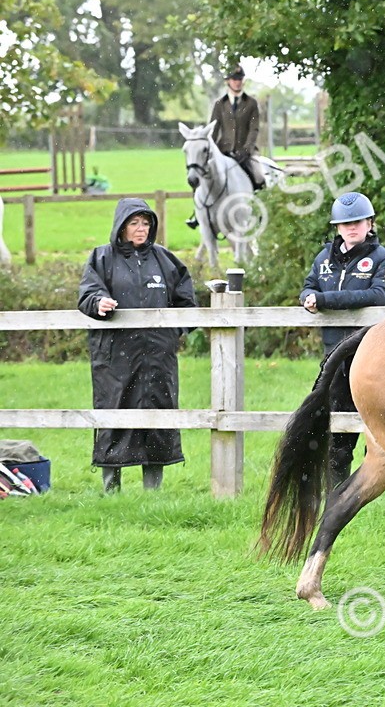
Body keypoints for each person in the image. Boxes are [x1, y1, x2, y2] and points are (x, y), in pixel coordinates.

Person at [79, 199, 197, 492]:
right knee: (114, 415)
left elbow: (187, 303)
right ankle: (111, 490)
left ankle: (152, 492)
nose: (141, 229)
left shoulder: (165, 260)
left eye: (145, 223)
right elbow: (87, 295)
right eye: (134, 223)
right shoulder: (101, 258)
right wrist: (99, 303)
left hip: (159, 358)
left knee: (158, 417)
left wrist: (171, 335)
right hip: (115, 360)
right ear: (121, 226)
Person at [300, 192, 385, 489]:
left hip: (371, 358)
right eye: (345, 224)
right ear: (337, 227)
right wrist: (308, 299)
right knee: (336, 433)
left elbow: (380, 296)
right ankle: (337, 493)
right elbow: (307, 287)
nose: (351, 228)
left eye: (357, 222)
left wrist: (325, 300)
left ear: (369, 223)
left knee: (375, 429)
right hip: (333, 358)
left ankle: (370, 488)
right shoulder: (324, 258)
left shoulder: (381, 258)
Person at [186, 63, 265, 229]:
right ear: (228, 81)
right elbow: (212, 130)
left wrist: (246, 150)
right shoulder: (219, 104)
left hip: (246, 152)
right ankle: (197, 214)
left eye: (240, 79)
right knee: (200, 176)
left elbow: (254, 129)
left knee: (259, 176)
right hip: (223, 151)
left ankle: (258, 210)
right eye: (234, 79)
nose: (237, 82)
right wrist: (211, 150)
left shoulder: (251, 103)